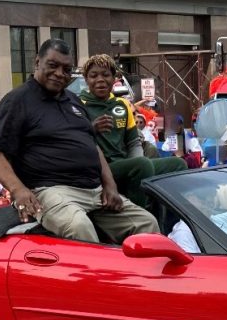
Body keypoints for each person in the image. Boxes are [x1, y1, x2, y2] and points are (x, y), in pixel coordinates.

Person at [0, 38, 159, 244]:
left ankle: (140, 277)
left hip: (94, 191)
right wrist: (19, 190)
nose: (60, 73)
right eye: (53, 65)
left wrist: (110, 185)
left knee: (147, 224)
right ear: (37, 63)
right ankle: (100, 276)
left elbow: (92, 147)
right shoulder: (17, 101)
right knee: (79, 227)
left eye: (67, 69)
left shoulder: (74, 101)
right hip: (51, 191)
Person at [79, 54, 187, 208]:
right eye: (93, 76)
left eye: (105, 75)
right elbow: (75, 141)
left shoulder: (123, 105)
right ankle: (140, 212)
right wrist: (91, 128)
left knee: (178, 164)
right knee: (143, 165)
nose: (100, 80)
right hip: (101, 170)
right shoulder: (79, 105)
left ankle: (170, 222)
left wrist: (135, 163)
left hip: (127, 165)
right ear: (86, 79)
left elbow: (133, 142)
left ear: (114, 78)